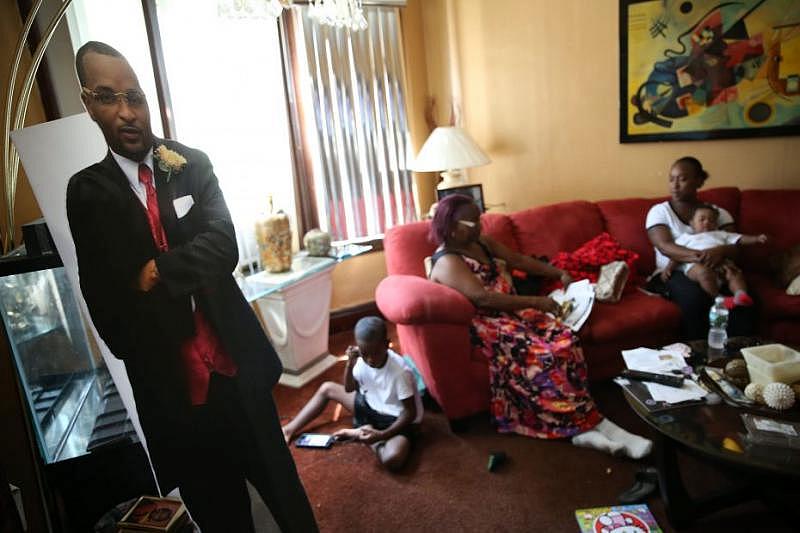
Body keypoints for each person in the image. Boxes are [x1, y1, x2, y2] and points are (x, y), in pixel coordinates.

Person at [66, 41, 317, 532]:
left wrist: (154, 273)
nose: (126, 112)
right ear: (88, 103)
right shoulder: (87, 193)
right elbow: (105, 298)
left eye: (134, 96)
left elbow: (223, 247)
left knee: (290, 506)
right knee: (221, 517)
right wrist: (153, 298)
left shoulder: (191, 163)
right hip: (174, 398)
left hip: (239, 374)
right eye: (108, 97)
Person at [427, 194, 652, 459]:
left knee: (567, 340)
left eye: (480, 218)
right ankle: (589, 426)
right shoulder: (447, 261)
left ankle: (583, 424)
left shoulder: (481, 243)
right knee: (546, 355)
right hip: (489, 323)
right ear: (452, 227)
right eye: (473, 221)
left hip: (515, 312)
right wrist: (537, 301)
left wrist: (558, 273)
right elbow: (483, 298)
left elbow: (519, 261)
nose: (480, 225)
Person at [282, 316, 422, 471]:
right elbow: (349, 389)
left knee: (393, 459)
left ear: (387, 344)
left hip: (394, 419)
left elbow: (410, 413)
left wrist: (381, 435)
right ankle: (288, 429)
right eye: (364, 353)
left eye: (374, 353)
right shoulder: (361, 358)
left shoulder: (400, 373)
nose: (369, 359)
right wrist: (350, 364)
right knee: (327, 388)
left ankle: (362, 434)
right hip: (369, 407)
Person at [646, 156, 757, 339]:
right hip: (677, 270)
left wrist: (720, 252)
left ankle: (738, 356)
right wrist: (703, 256)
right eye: (671, 179)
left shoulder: (718, 213)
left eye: (682, 179)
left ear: (699, 181)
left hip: (720, 265)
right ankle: (697, 354)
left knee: (748, 299)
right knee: (694, 299)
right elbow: (665, 246)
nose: (675, 185)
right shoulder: (660, 211)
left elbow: (735, 245)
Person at [661, 203, 767, 305]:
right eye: (702, 219)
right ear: (692, 223)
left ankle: (740, 295)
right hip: (697, 266)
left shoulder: (721, 234)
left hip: (722, 264)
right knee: (704, 274)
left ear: (716, 224)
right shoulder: (686, 238)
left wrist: (756, 238)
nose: (706, 222)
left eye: (711, 220)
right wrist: (669, 268)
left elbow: (740, 238)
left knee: (735, 274)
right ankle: (718, 299)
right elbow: (677, 255)